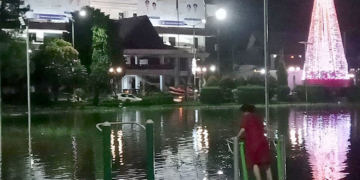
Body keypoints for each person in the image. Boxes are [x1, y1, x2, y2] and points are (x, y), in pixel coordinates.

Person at [237, 104, 273, 180]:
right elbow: (264, 128)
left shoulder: (246, 117)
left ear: (244, 111)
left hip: (253, 143)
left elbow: (243, 129)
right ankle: (270, 178)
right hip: (263, 142)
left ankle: (258, 178)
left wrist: (237, 137)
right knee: (265, 162)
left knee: (254, 162)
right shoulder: (257, 117)